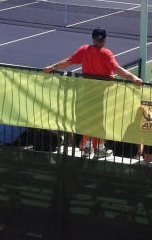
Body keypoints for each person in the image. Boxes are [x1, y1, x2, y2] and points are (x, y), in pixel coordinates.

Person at [43, 28, 142, 159]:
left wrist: (53, 67)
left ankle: (88, 148)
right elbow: (117, 69)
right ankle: (100, 149)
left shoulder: (84, 50)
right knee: (101, 121)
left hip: (87, 91)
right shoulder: (106, 54)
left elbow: (68, 61)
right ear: (105, 40)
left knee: (88, 119)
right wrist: (133, 78)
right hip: (103, 94)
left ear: (93, 39)